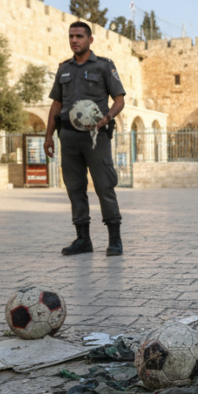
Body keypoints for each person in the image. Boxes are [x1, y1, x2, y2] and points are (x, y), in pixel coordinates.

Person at [44, 21, 126, 256]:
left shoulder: (103, 66)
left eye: (79, 36)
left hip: (95, 136)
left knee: (104, 186)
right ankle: (83, 239)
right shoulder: (64, 69)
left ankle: (115, 239)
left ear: (90, 40)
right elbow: (56, 104)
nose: (74, 40)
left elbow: (119, 100)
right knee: (74, 188)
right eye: (71, 36)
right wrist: (48, 135)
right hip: (68, 136)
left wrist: (108, 117)